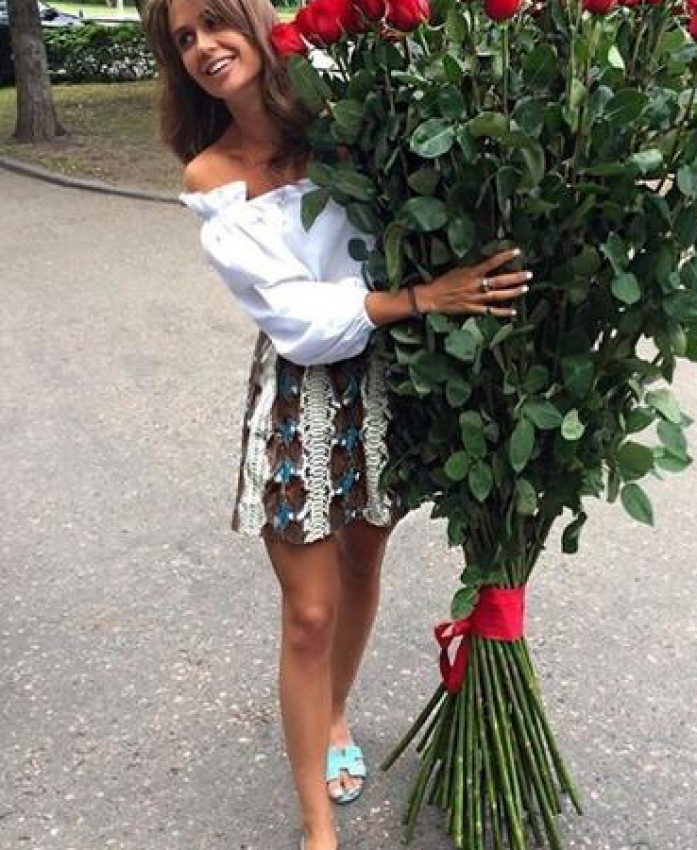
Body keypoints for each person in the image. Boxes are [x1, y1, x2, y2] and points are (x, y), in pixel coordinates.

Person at [141, 0, 530, 847]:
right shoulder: (212, 176)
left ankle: (334, 713)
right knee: (309, 611)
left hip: (390, 376)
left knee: (362, 563)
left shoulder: (350, 119)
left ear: (254, 18)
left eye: (216, 22)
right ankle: (317, 824)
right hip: (303, 391)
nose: (205, 47)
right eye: (184, 39)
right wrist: (422, 298)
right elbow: (297, 318)